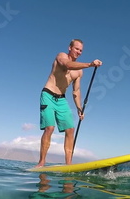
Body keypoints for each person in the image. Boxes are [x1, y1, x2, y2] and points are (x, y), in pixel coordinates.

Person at [36, 39, 102, 168]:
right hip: (48, 95)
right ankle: (41, 162)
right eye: (76, 49)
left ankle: (69, 165)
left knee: (70, 129)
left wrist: (79, 108)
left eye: (81, 50)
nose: (79, 52)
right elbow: (67, 65)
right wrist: (90, 64)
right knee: (50, 128)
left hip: (62, 99)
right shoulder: (61, 56)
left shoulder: (79, 72)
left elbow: (76, 91)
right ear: (70, 48)